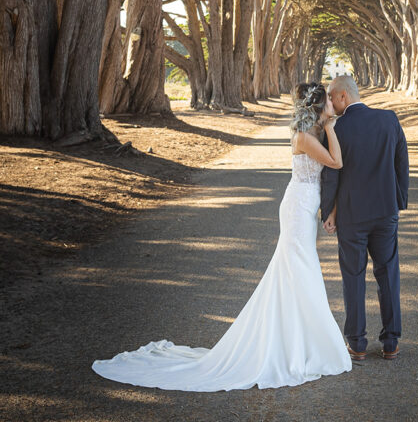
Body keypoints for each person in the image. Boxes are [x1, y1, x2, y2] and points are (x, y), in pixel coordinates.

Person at [92, 82, 351, 391]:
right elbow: (336, 162)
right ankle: (304, 345)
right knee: (302, 269)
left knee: (294, 271)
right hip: (297, 207)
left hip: (306, 206)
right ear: (320, 109)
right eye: (329, 105)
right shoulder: (305, 138)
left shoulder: (314, 134)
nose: (334, 107)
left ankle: (299, 340)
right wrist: (333, 128)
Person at [321, 76, 409, 362]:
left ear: (344, 96)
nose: (330, 103)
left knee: (353, 277)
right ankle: (391, 342)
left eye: (332, 97)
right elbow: (401, 163)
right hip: (386, 212)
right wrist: (399, 202)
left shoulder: (337, 129)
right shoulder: (389, 120)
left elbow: (331, 175)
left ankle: (357, 344)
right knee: (388, 274)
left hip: (351, 215)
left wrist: (328, 213)